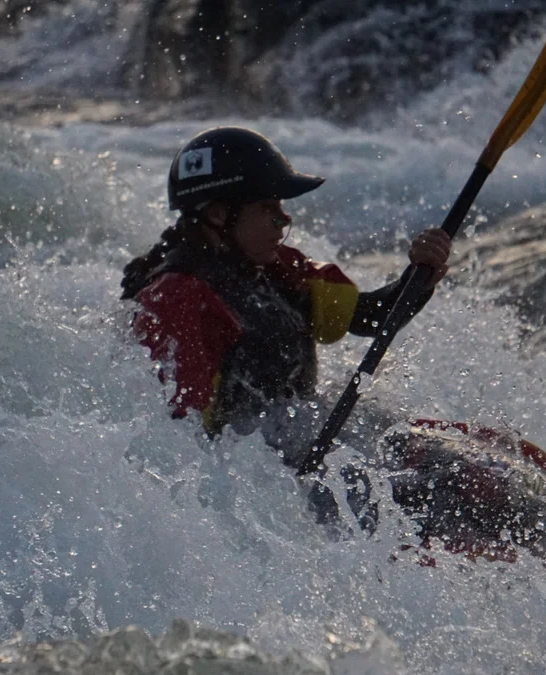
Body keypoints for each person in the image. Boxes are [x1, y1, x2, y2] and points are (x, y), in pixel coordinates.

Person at [120, 126, 451, 530]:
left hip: (305, 443)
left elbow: (371, 317)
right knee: (431, 497)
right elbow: (178, 440)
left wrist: (418, 278)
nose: (284, 219)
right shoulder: (177, 299)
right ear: (220, 214)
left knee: (425, 456)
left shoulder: (272, 267)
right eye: (268, 207)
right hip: (263, 486)